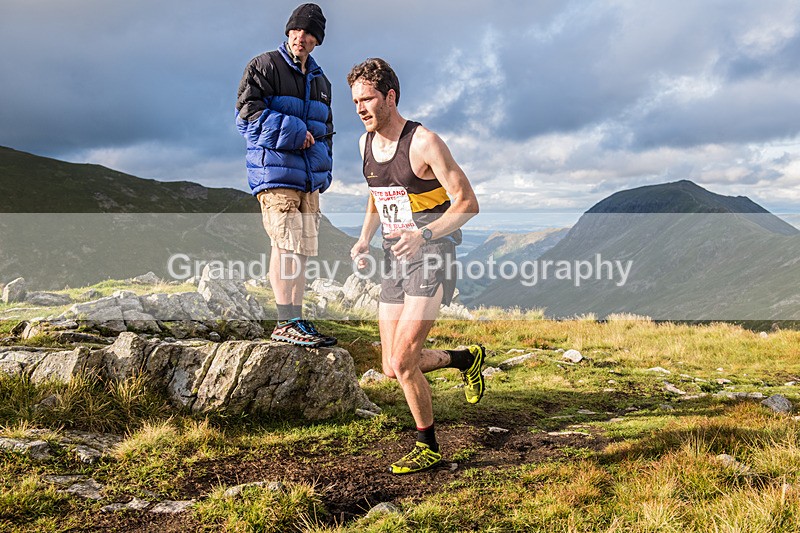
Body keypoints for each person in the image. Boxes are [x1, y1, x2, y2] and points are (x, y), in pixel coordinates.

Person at [347, 58, 485, 474]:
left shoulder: (425, 142)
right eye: (355, 101)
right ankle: (466, 359)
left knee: (406, 359)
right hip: (394, 254)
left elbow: (468, 203)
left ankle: (428, 445)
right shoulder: (364, 143)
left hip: (432, 251)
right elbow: (377, 193)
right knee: (391, 367)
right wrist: (364, 239)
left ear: (390, 96)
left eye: (367, 98)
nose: (360, 108)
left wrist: (423, 235)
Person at [236, 3, 336, 347]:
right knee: (286, 244)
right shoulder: (265, 65)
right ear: (288, 31)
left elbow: (327, 130)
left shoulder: (322, 81)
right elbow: (247, 117)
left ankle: (296, 317)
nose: (301, 37)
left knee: (303, 249)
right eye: (296, 30)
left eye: (309, 33)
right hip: (275, 172)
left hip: (308, 178)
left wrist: (325, 169)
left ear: (317, 40)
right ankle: (284, 321)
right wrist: (293, 130)